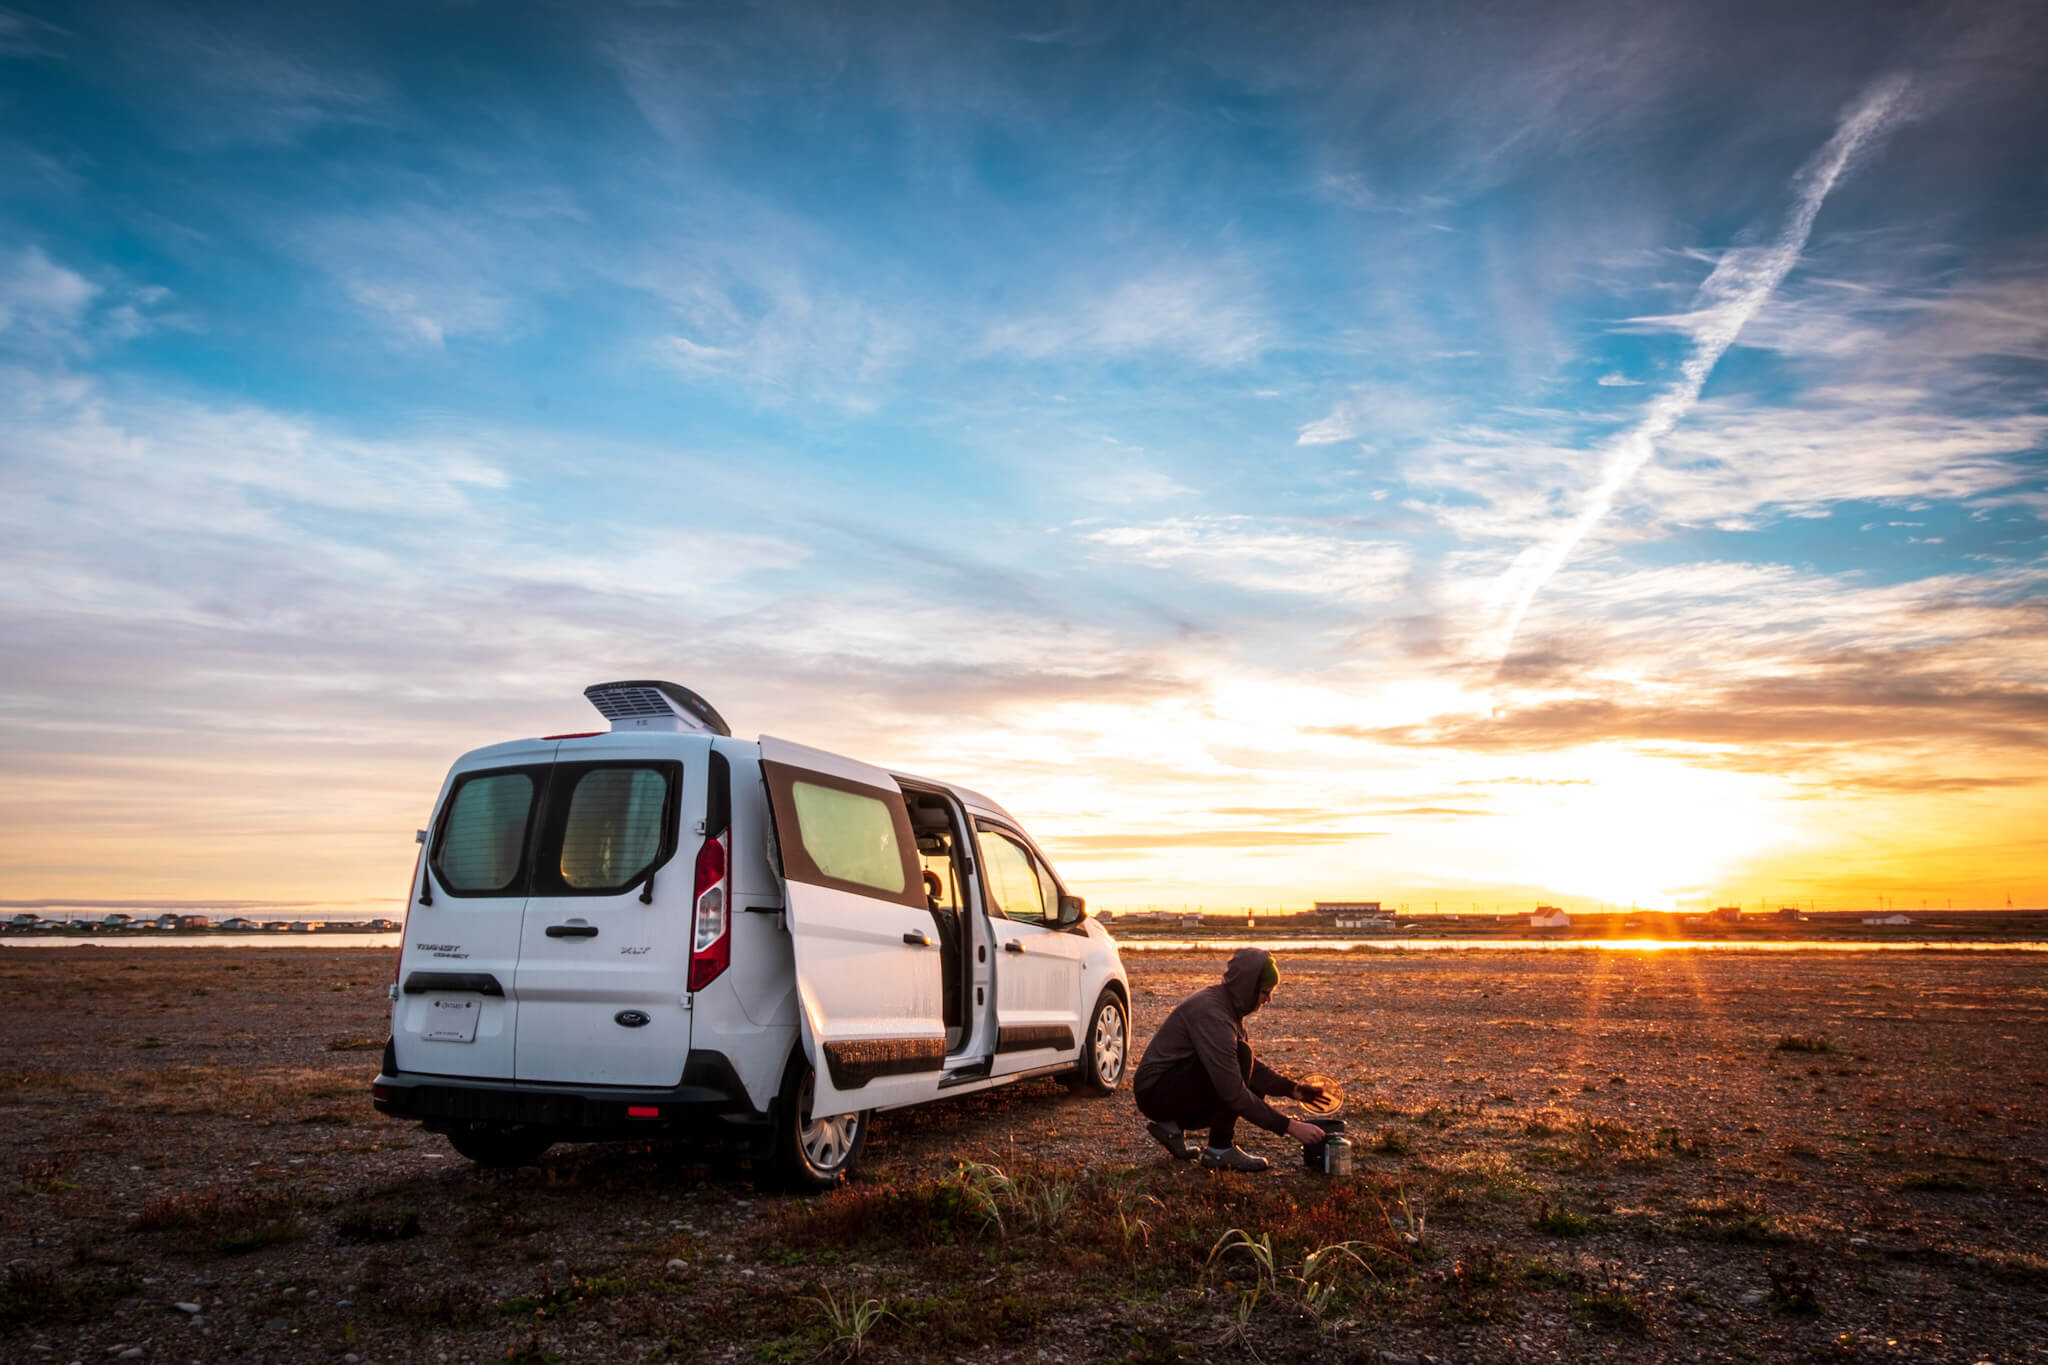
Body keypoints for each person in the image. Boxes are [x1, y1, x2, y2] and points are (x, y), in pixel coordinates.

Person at [1133, 946, 1328, 1171]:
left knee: (1245, 1065)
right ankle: (1219, 1150)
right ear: (1248, 987)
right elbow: (1232, 1090)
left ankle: (1172, 1128)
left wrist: (1293, 1089)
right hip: (1154, 1093)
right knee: (1242, 1065)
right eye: (1265, 992)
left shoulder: (1228, 1006)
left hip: (1168, 1087)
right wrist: (1291, 1127)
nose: (1269, 999)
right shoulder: (1213, 1015)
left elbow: (1251, 1069)